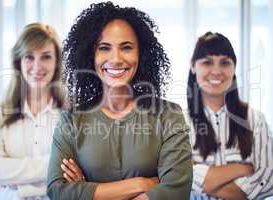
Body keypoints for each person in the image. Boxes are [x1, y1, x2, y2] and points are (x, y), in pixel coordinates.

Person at [47, 2, 192, 200]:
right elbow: (58, 191)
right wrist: (142, 184)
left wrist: (87, 190)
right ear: (91, 55)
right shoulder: (71, 120)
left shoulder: (168, 115)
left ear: (141, 54)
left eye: (126, 47)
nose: (115, 59)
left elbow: (176, 190)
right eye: (104, 48)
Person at [0, 22, 64, 200]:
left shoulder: (70, 111)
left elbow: (74, 170)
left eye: (46, 57)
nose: (37, 66)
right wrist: (52, 166)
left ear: (57, 61)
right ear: (18, 61)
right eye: (29, 57)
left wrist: (18, 185)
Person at [187, 32, 273, 200]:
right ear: (193, 66)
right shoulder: (178, 122)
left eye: (225, 62)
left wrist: (200, 174)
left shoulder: (255, 120)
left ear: (234, 67)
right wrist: (242, 168)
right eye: (207, 62)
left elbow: (269, 177)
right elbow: (176, 176)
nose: (217, 71)